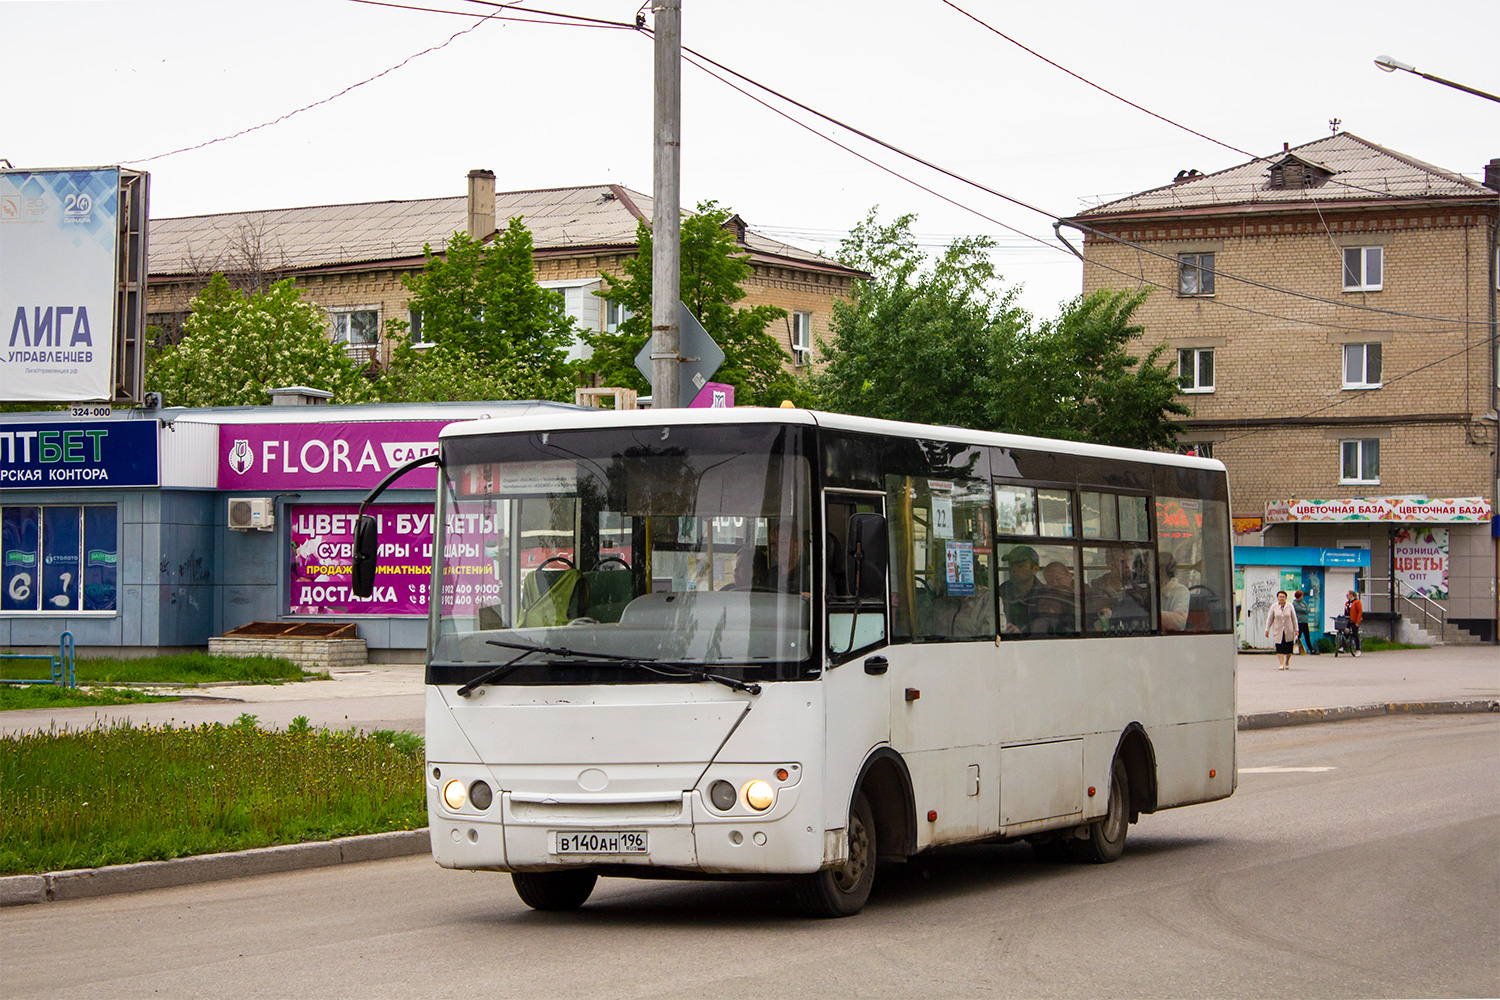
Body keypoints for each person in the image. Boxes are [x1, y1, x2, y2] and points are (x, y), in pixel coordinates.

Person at [750, 519, 808, 594]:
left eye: (782, 543)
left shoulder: (809, 576)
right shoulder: (769, 576)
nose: (776, 548)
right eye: (773, 544)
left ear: (798, 546)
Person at [998, 545, 1043, 634]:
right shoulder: (1002, 590)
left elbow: (1046, 624)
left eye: (1021, 565)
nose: (1014, 569)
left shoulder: (1044, 595)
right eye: (1011, 564)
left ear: (1035, 569)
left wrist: (1022, 632)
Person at [1265, 589, 1299, 669]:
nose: (1281, 598)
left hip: (1288, 630)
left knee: (1288, 649)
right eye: (1280, 597)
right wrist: (1267, 629)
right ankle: (1281, 664)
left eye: (1283, 597)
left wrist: (1296, 629)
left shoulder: (1290, 606)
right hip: (1278, 630)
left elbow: (1294, 618)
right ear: (1277, 597)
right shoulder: (1274, 607)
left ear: (1286, 598)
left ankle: (1287, 661)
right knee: (1279, 647)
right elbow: (1270, 619)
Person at [1158, 552, 1190, 632]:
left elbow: (1179, 622)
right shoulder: (1148, 591)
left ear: (1162, 570)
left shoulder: (1180, 591)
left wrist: (1151, 615)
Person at [1292, 589, 1317, 655]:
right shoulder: (1294, 603)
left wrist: (1305, 610)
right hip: (1299, 622)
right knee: (1298, 637)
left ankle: (1311, 649)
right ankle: (1295, 649)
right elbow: (1300, 609)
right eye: (1301, 596)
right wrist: (1305, 610)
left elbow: (1308, 609)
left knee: (1307, 636)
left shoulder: (1303, 602)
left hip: (1305, 621)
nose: (1302, 597)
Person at [1343, 589, 1364, 657]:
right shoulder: (1347, 603)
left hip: (1354, 621)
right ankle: (1344, 647)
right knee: (1345, 633)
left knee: (1355, 634)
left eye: (1347, 595)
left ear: (1351, 595)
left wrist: (1358, 621)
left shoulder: (1357, 602)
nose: (1347, 596)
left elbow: (1359, 612)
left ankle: (1358, 649)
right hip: (1348, 620)